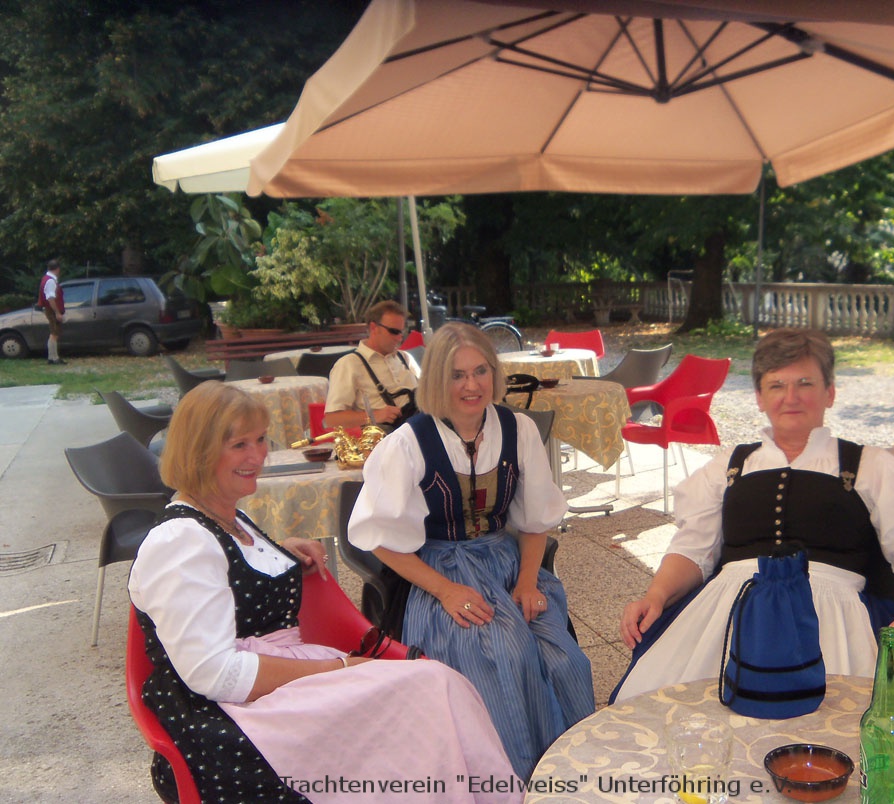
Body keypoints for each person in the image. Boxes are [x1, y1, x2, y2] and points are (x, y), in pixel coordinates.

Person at [128, 381, 520, 803]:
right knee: (430, 691)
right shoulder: (180, 542)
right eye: (239, 445)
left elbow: (230, 574)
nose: (257, 457)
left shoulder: (226, 519)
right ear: (198, 452)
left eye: (260, 440)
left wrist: (279, 550)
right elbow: (216, 675)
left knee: (439, 689)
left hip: (274, 691)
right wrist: (339, 668)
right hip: (231, 722)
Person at [614, 328, 894, 702]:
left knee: (834, 722)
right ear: (760, 398)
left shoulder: (874, 468)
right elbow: (693, 551)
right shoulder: (728, 467)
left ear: (830, 393)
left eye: (805, 383)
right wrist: (656, 595)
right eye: (776, 385)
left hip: (834, 621)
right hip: (728, 612)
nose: (791, 397)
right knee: (664, 706)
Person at [348, 322, 595, 780]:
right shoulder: (408, 442)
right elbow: (377, 537)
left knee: (565, 660)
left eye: (481, 371)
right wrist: (445, 591)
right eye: (457, 375)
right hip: (439, 570)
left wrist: (527, 582)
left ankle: (569, 775)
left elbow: (535, 520)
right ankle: (508, 780)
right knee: (501, 653)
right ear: (436, 380)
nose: (472, 385)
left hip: (507, 561)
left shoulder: (517, 429)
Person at [324, 299, 419, 431]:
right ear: (374, 328)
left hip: (419, 425)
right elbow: (332, 420)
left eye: (402, 332)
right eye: (394, 331)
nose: (399, 338)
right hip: (388, 436)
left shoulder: (405, 358)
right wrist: (373, 415)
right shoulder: (349, 364)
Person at [38, 258, 65, 365]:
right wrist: (57, 312)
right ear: (57, 269)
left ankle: (51, 357)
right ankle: (54, 358)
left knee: (53, 333)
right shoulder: (50, 281)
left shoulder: (46, 279)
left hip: (49, 309)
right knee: (55, 333)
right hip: (51, 309)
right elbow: (50, 298)